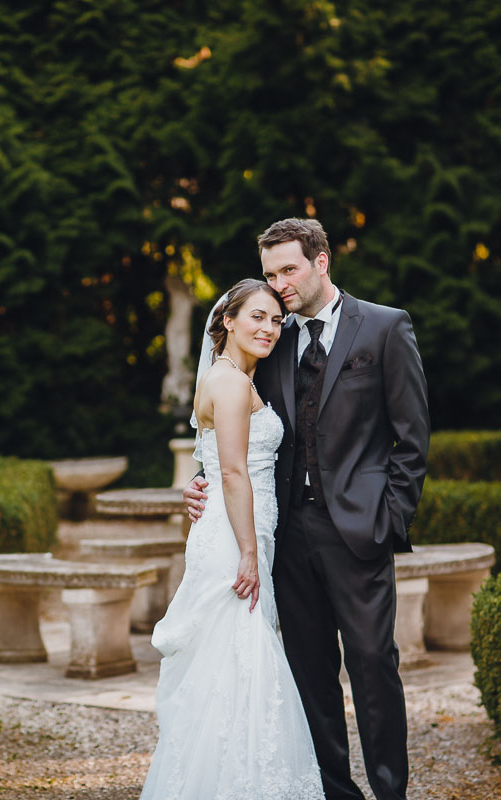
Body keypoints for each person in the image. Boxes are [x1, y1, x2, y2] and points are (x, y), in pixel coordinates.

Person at [184, 219, 430, 800]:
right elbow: (237, 423)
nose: (279, 285)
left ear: (321, 262)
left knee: (374, 666)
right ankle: (334, 793)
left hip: (359, 531)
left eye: (288, 270)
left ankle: (391, 792)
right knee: (309, 676)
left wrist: (389, 518)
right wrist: (202, 479)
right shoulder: (272, 338)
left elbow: (412, 439)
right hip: (287, 537)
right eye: (270, 274)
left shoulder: (385, 327)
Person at [140, 278, 325, 800]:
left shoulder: (238, 378)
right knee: (240, 662)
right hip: (234, 538)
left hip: (246, 531)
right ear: (228, 321)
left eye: (275, 320)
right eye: (257, 317)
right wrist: (247, 551)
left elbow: (212, 461)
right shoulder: (228, 382)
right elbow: (233, 474)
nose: (269, 328)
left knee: (236, 666)